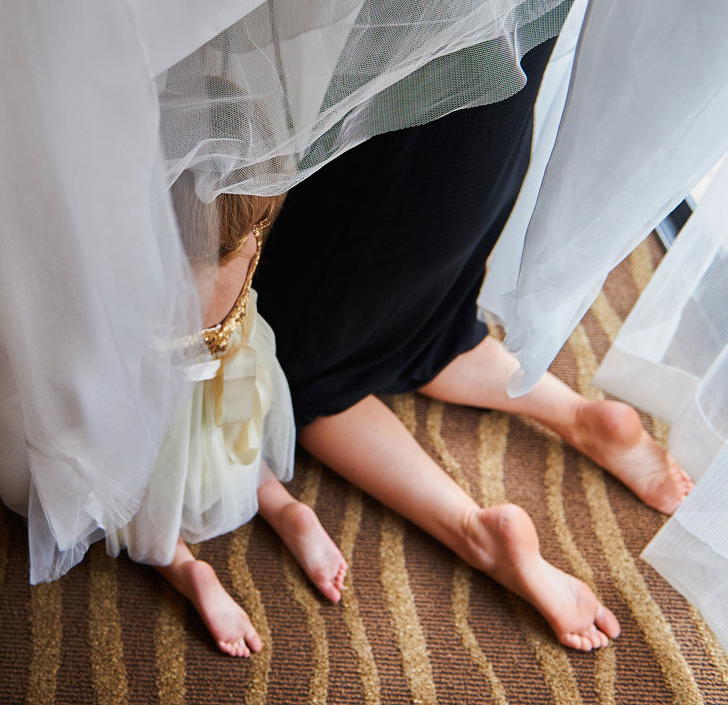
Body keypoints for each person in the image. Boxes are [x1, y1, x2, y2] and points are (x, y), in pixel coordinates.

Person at [257, 37, 693, 651]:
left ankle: (475, 531)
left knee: (294, 374)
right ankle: (573, 413)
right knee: (432, 316)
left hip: (411, 145)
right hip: (492, 139)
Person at [105, 177, 347, 657]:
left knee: (130, 488)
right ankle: (284, 506)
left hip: (156, 406)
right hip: (234, 374)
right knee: (231, 443)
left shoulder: (141, 261)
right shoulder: (250, 219)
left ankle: (185, 566)